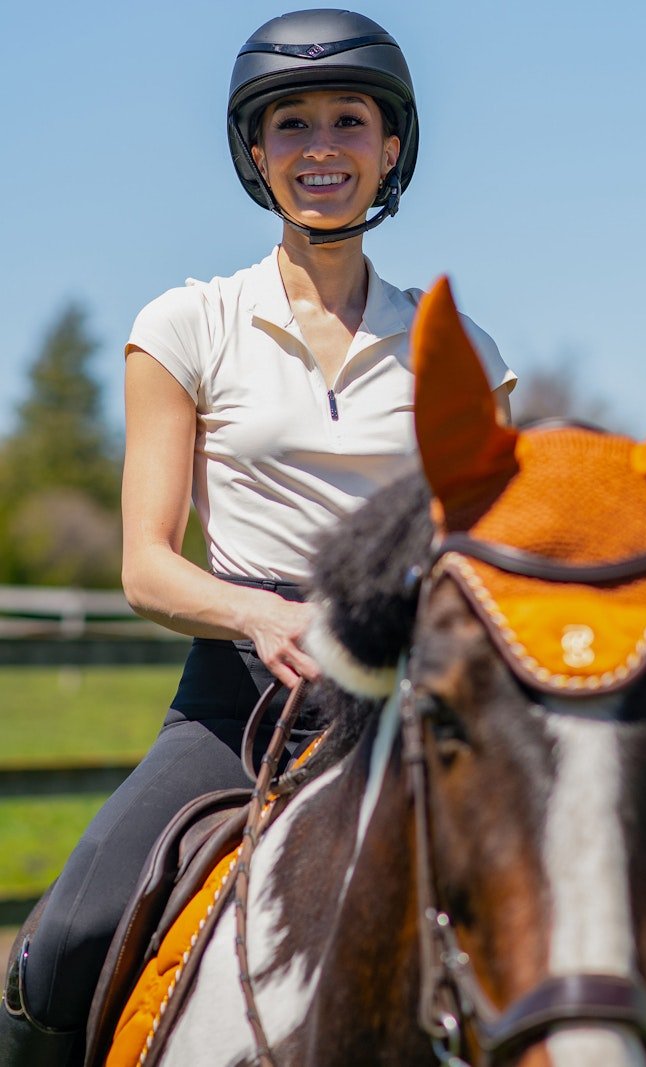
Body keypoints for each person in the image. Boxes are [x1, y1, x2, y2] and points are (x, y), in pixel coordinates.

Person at [0, 9, 514, 1065]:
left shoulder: (458, 344)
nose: (320, 147)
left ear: (391, 146)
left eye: (347, 120)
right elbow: (145, 562)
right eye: (290, 125)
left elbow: (488, 549)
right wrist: (257, 611)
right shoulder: (186, 323)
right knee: (61, 944)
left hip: (418, 698)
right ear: (254, 151)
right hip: (240, 701)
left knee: (619, 929)